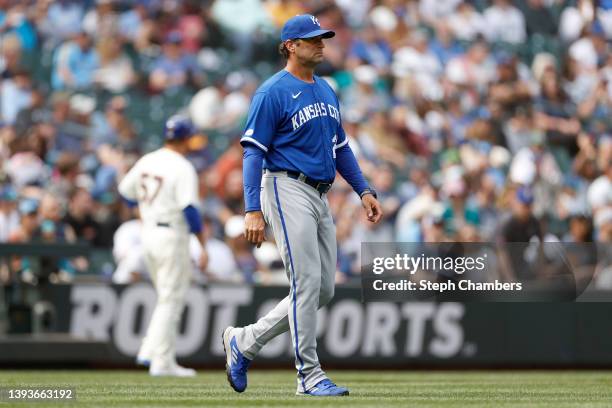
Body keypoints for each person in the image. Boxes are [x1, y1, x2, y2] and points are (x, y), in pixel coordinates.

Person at [222, 14, 382, 397]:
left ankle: (244, 342)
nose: (322, 44)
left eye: (323, 38)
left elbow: (341, 147)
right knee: (306, 283)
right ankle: (308, 375)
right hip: (284, 185)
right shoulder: (271, 91)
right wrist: (251, 209)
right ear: (291, 45)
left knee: (323, 289)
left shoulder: (326, 89)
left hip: (319, 192)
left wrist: (363, 189)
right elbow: (252, 153)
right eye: (313, 39)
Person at [118, 114, 207, 377]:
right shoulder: (182, 166)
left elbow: (125, 192)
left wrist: (144, 211)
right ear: (185, 139)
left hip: (148, 233)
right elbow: (190, 209)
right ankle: (152, 354)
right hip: (171, 235)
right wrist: (202, 245)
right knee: (171, 298)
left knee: (167, 297)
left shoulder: (149, 159)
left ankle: (161, 358)